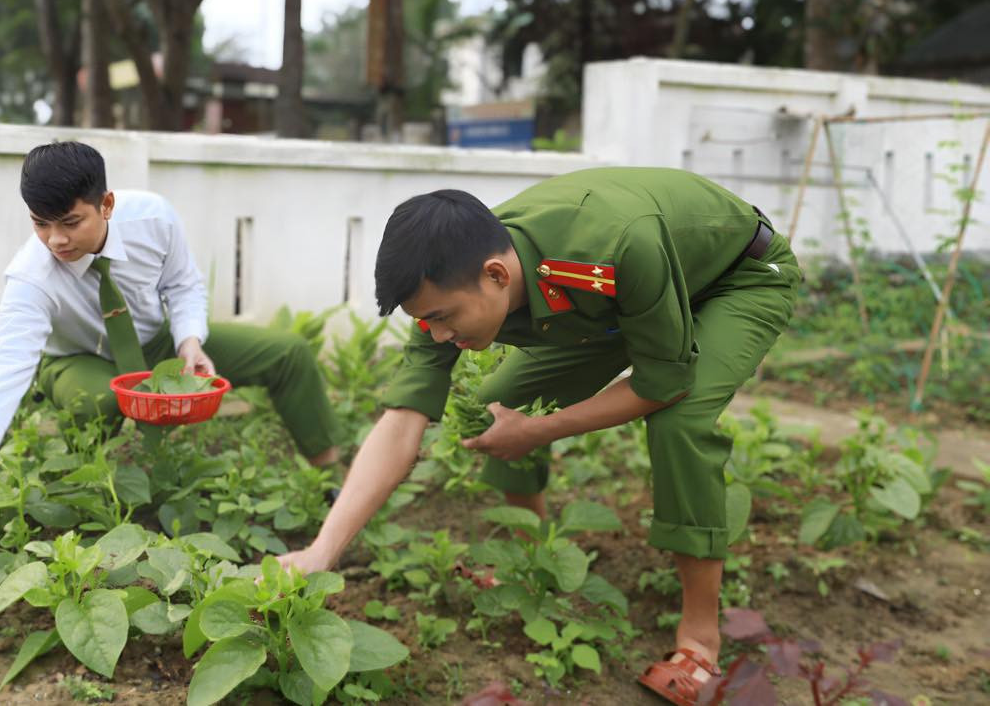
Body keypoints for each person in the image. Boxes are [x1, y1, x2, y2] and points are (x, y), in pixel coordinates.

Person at [275, 167, 801, 706]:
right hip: (628, 304)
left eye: (442, 318)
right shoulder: (451, 278)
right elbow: (403, 418)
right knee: (495, 407)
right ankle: (533, 558)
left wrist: (539, 431)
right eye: (424, 321)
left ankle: (698, 641)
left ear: (498, 275)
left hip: (735, 278)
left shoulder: (612, 248)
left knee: (680, 420)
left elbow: (662, 384)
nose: (436, 333)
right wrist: (321, 551)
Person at [0, 141, 340, 516]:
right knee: (101, 399)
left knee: (289, 352)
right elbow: (7, 361)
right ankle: (93, 500)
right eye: (40, 223)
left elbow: (182, 284)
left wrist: (190, 342)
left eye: (70, 222)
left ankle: (331, 480)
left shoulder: (153, 219)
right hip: (75, 358)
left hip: (154, 342)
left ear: (106, 204)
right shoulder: (31, 277)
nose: (54, 240)